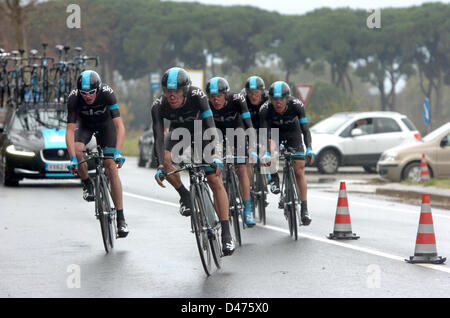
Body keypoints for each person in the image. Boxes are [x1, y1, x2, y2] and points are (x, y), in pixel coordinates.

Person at [151, 67, 235, 256]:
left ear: (185, 91)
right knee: (165, 159)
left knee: (213, 179)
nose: (172, 96)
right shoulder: (158, 105)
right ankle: (185, 195)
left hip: (203, 132)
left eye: (177, 92)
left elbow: (211, 125)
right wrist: (159, 166)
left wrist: (215, 153)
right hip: (178, 133)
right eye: (168, 92)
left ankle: (227, 234)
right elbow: (158, 137)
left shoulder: (198, 96)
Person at [66, 70, 129, 237]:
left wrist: (118, 152)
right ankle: (87, 183)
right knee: (78, 151)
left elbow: (119, 126)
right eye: (84, 93)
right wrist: (72, 158)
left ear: (98, 89)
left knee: (111, 167)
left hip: (105, 126)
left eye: (91, 92)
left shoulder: (107, 93)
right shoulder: (73, 97)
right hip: (85, 126)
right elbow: (70, 131)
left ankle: (121, 218)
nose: (87, 96)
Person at [259, 81, 315, 226]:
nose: (278, 103)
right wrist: (266, 153)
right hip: (274, 134)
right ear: (270, 99)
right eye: (275, 100)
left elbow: (305, 129)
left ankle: (304, 208)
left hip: (293, 134)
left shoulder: (297, 105)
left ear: (287, 98)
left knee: (299, 171)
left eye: (281, 99)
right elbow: (264, 133)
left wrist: (309, 148)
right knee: (269, 149)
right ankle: (274, 178)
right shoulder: (265, 109)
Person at [205, 76, 257, 227]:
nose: (215, 100)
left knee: (241, 168)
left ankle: (247, 209)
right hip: (217, 134)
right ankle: (221, 216)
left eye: (219, 96)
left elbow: (249, 125)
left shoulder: (237, 99)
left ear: (226, 95)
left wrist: (252, 148)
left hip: (237, 130)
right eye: (212, 97)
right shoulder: (206, 104)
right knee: (215, 171)